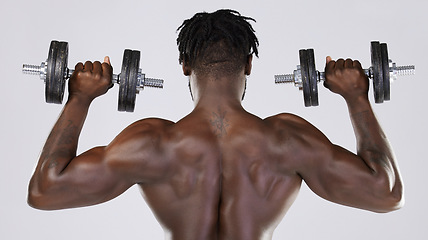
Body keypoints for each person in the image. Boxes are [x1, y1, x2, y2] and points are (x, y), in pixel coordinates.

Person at [28, 9, 404, 240]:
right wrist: (357, 96)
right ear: (248, 65)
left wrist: (79, 96)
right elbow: (386, 193)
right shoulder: (288, 139)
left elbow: (45, 191)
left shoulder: (151, 143)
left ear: (185, 66)